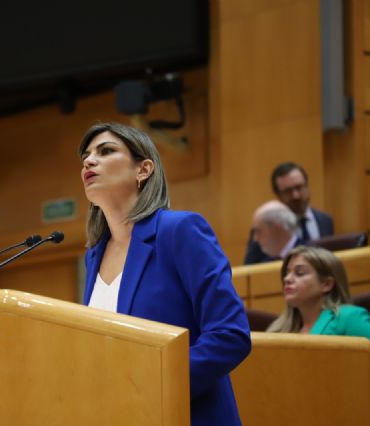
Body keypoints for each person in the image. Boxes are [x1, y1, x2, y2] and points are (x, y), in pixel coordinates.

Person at [79, 122, 251, 426]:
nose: (89, 161)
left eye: (105, 151)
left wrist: (154, 386)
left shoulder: (179, 231)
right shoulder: (93, 256)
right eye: (86, 156)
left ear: (143, 170)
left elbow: (230, 335)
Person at [267, 246, 370, 397]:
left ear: (327, 284)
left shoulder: (350, 318)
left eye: (299, 273)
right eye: (287, 273)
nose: (287, 279)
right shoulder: (278, 331)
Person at [244, 162, 334, 264]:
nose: (296, 196)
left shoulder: (325, 220)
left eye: (299, 187)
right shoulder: (265, 228)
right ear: (278, 194)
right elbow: (251, 268)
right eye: (288, 191)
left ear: (307, 186)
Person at [244, 200, 304, 264]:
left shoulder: (311, 256)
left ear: (276, 229)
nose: (256, 238)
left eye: (259, 231)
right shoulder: (264, 265)